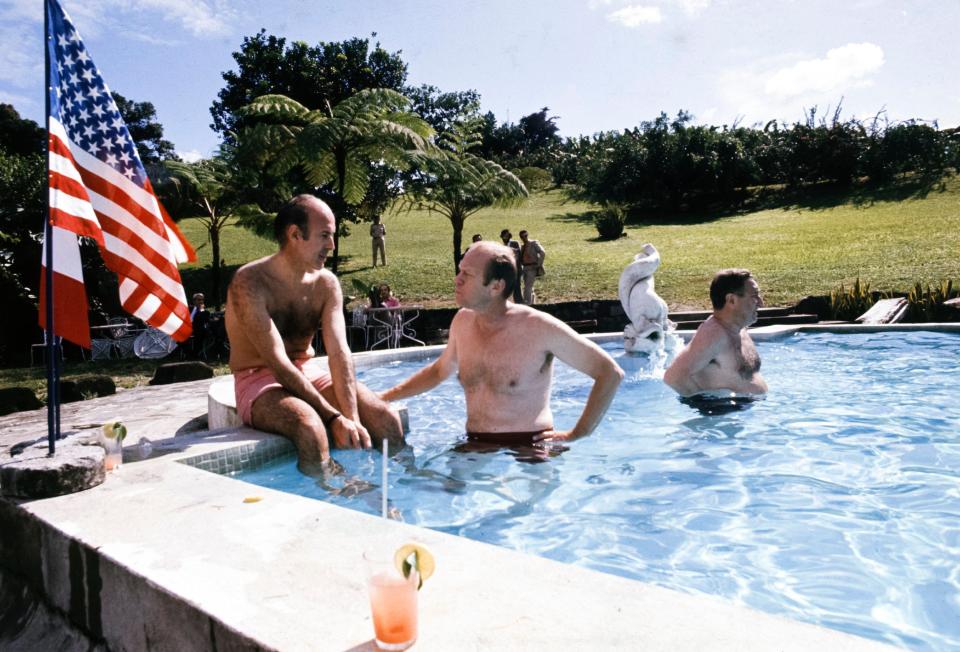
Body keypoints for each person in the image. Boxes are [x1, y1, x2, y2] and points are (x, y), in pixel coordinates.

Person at [380, 242, 623, 446]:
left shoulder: (538, 328)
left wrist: (577, 434)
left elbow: (610, 372)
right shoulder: (462, 322)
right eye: (459, 271)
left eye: (467, 275)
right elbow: (439, 371)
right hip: (476, 443)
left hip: (531, 445)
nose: (457, 280)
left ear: (496, 286)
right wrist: (384, 398)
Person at [226, 195, 403, 474]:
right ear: (295, 234)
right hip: (258, 379)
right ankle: (326, 499)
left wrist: (352, 417)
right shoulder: (249, 282)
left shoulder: (327, 284)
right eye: (324, 236)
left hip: (308, 370)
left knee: (387, 418)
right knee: (311, 428)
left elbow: (339, 351)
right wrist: (334, 418)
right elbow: (277, 362)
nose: (331, 246)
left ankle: (402, 490)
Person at [663, 269, 768, 397]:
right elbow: (673, 377)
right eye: (754, 296)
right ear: (731, 300)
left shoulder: (738, 329)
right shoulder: (713, 334)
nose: (761, 303)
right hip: (726, 413)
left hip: (743, 411)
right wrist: (709, 406)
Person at [518, 229, 546, 304]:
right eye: (522, 236)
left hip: (532, 267)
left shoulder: (533, 243)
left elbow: (542, 252)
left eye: (525, 235)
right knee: (529, 287)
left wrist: (538, 265)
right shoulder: (523, 246)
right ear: (520, 237)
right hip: (525, 268)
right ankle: (532, 303)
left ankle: (527, 304)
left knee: (527, 287)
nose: (524, 237)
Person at [500, 229, 523, 303]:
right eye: (504, 235)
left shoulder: (514, 243)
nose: (505, 237)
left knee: (517, 288)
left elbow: (518, 253)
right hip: (508, 271)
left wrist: (509, 250)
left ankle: (520, 304)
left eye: (507, 235)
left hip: (516, 269)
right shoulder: (502, 246)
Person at [189, 292, 210, 358]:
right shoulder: (188, 309)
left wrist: (201, 310)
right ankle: (188, 353)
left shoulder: (205, 312)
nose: (201, 301)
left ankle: (194, 355)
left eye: (202, 300)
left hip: (198, 330)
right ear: (194, 301)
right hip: (186, 328)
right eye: (198, 300)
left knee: (200, 331)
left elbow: (202, 321)